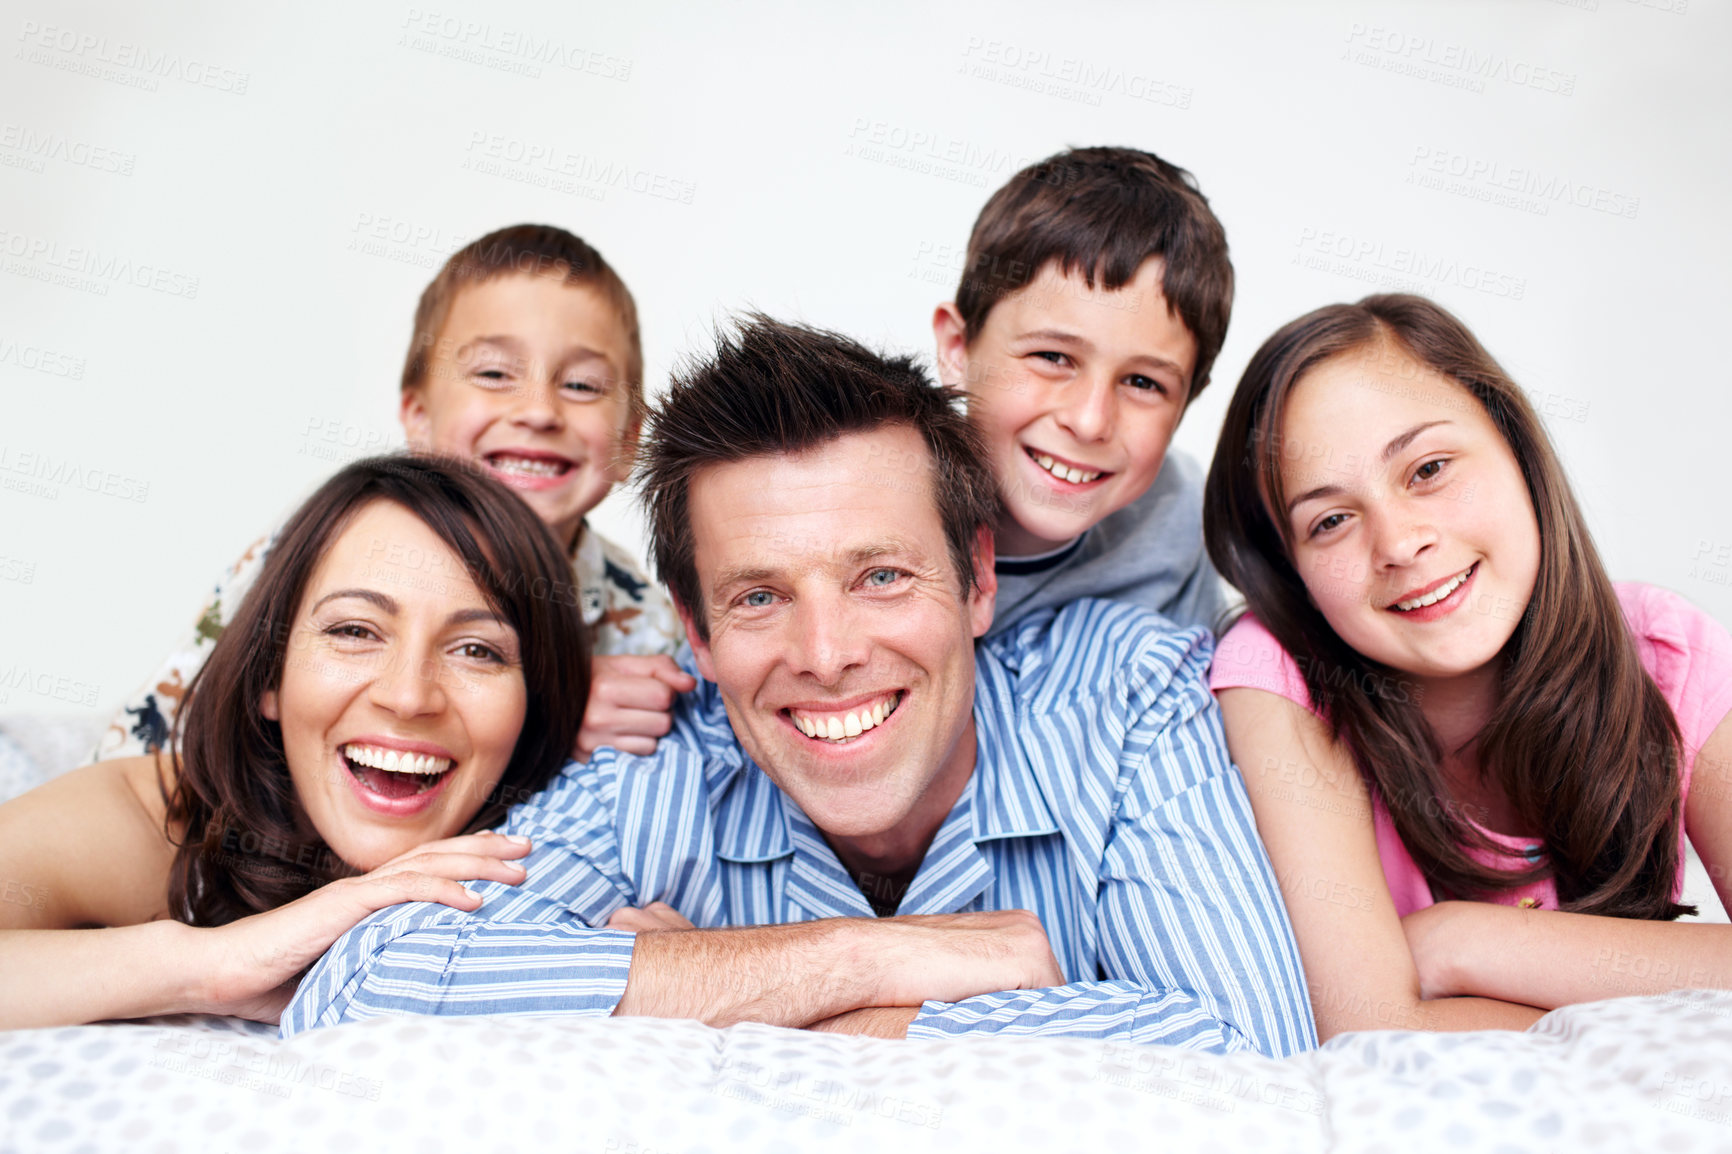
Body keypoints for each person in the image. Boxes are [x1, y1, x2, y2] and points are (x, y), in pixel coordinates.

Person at [284, 317, 1315, 1058]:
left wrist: (714, 984)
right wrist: (869, 960)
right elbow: (362, 981)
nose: (825, 654)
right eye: (760, 596)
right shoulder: (659, 773)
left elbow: (1243, 1036)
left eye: (880, 576)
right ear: (693, 632)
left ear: (978, 579)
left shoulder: (1130, 697)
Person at [1202, 294, 1732, 1040]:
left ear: (1517, 449)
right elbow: (1372, 1025)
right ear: (1294, 575)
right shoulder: (1279, 677)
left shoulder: (1668, 657)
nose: (1398, 543)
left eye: (1428, 469)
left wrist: (1459, 944)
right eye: (1329, 521)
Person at [0, 455, 588, 1029]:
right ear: (270, 678)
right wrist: (210, 964)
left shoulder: (575, 849)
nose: (409, 697)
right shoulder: (147, 819)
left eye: (476, 650)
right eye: (353, 631)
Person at [92, 224, 686, 767]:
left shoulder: (645, 623)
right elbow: (154, 751)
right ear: (419, 417)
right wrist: (555, 715)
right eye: (493, 374)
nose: (537, 411)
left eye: (581, 385)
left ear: (629, 440)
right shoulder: (322, 549)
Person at [931, 146, 1231, 635]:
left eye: (1143, 383)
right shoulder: (881, 506)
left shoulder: (1175, 513)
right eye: (1052, 357)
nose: (1090, 421)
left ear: (1187, 402)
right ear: (958, 349)